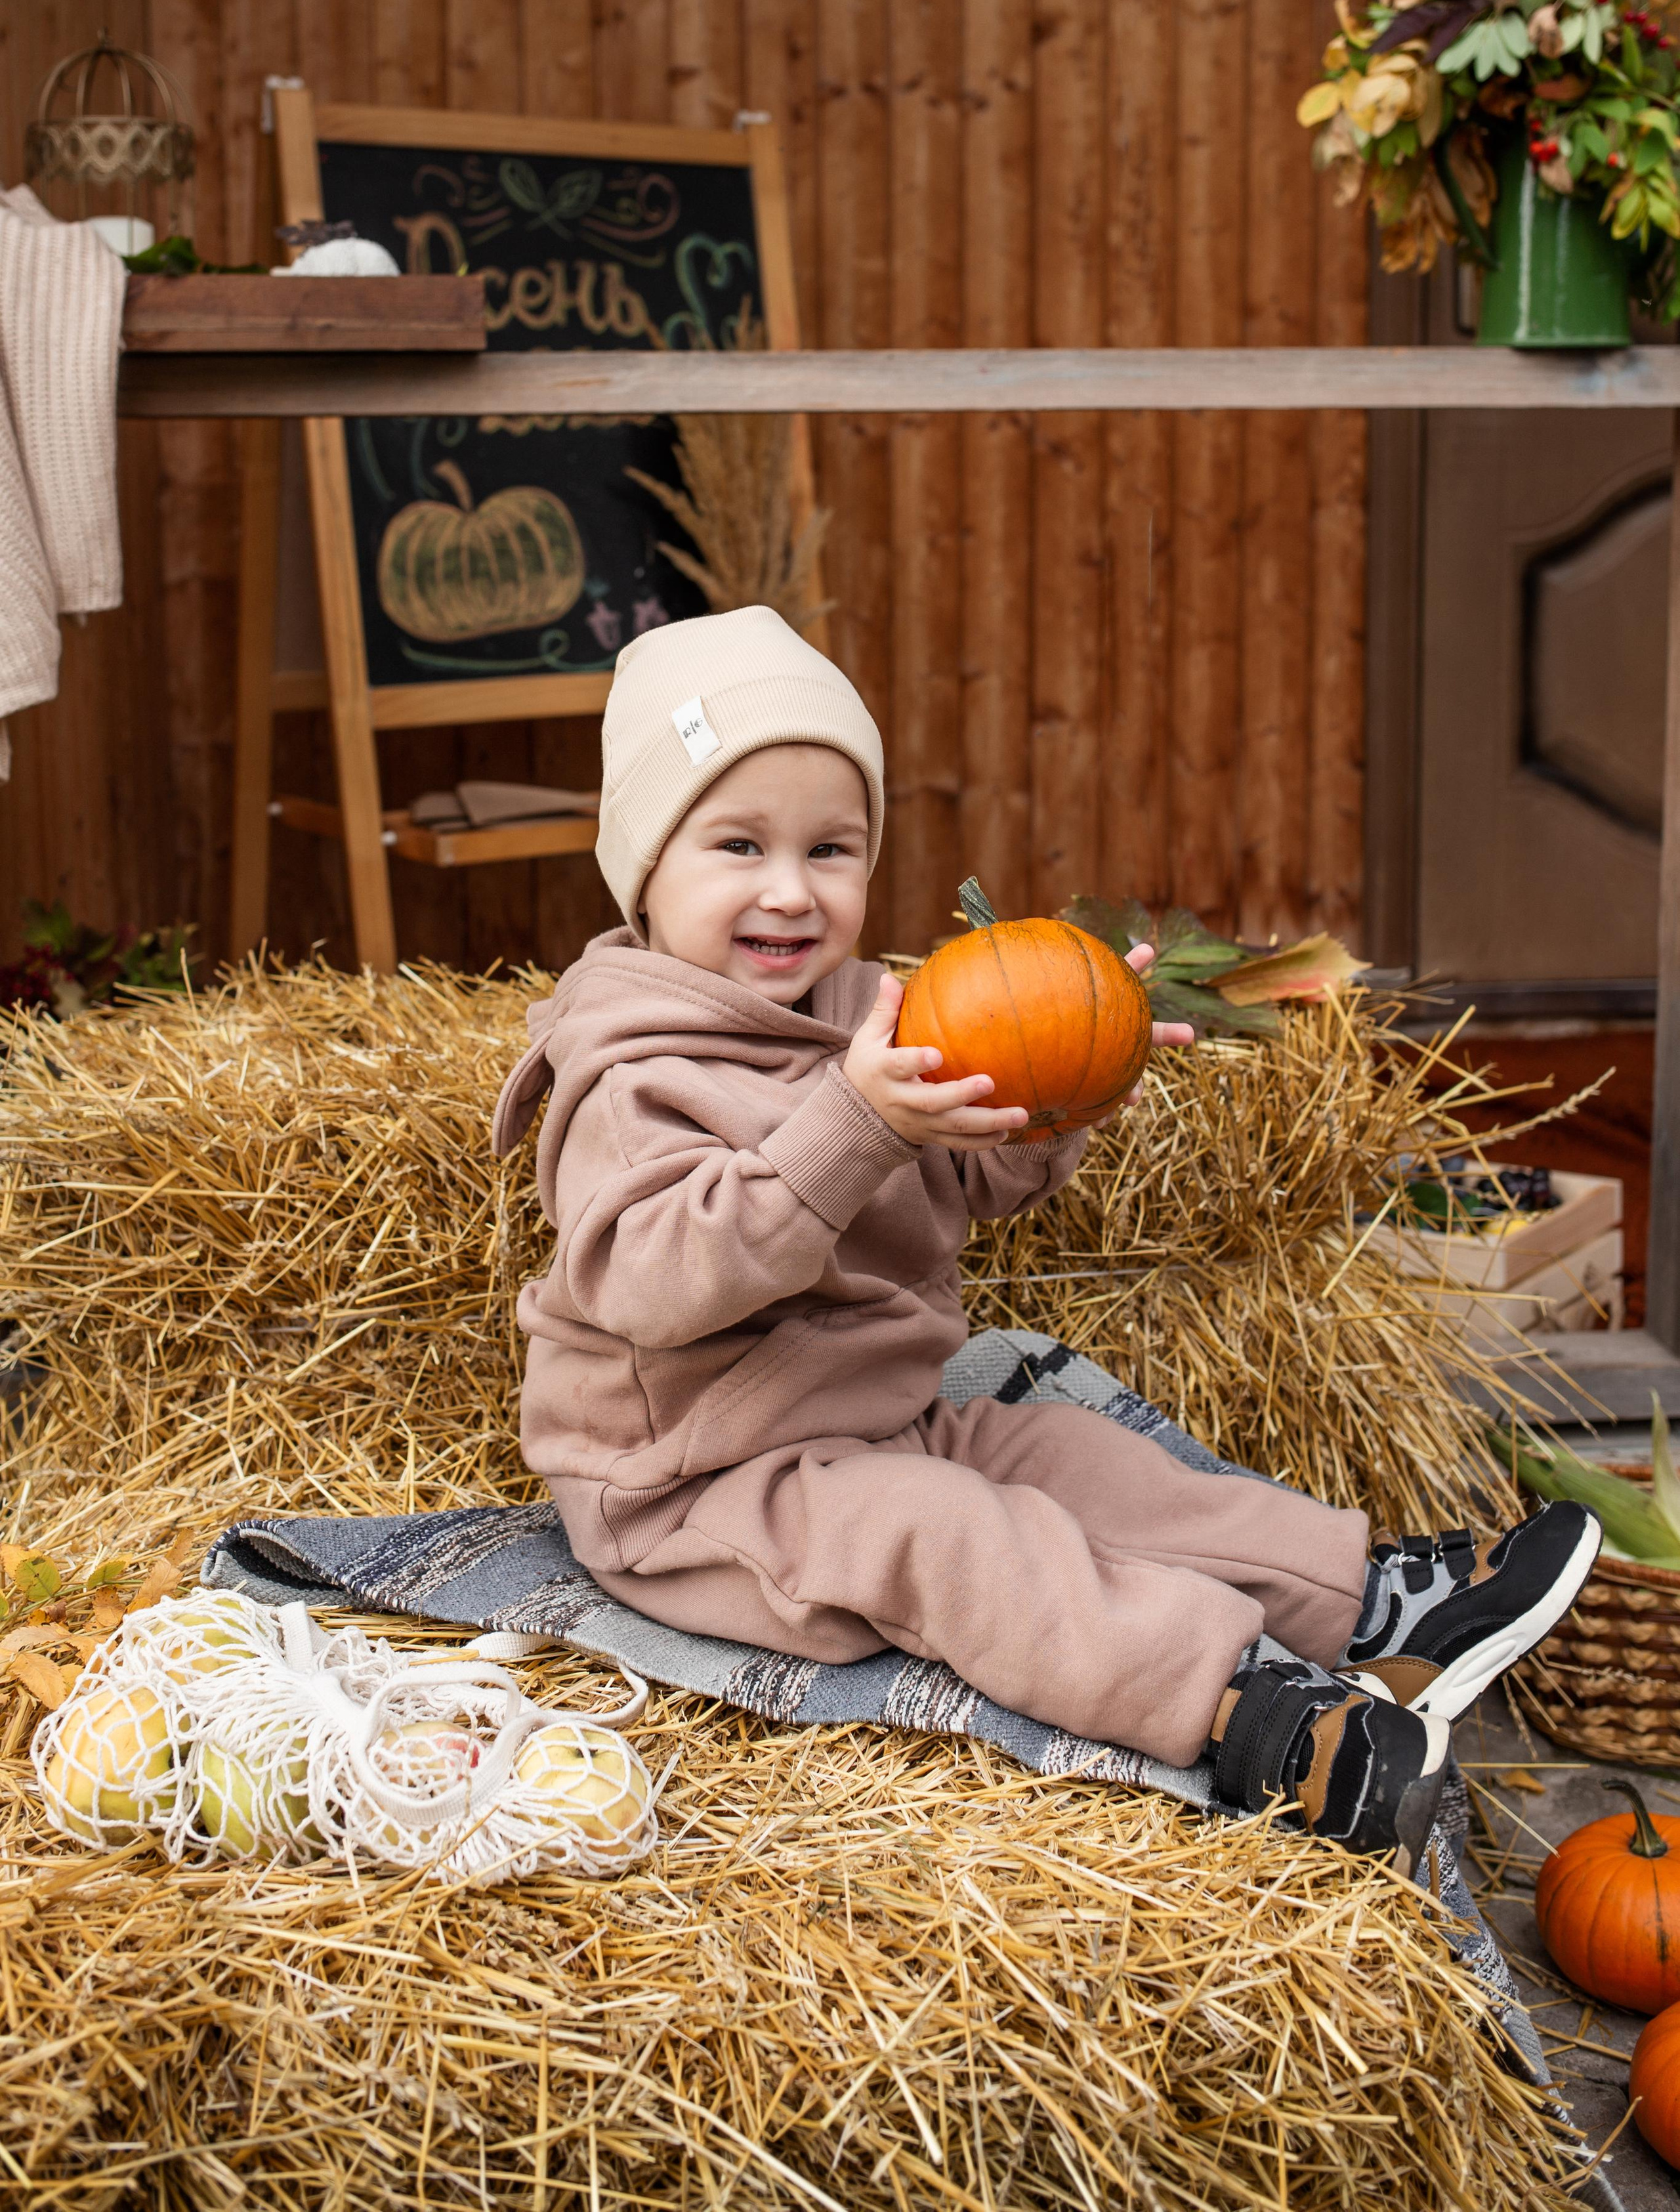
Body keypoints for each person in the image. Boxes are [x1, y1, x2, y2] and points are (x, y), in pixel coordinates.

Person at [493, 607, 1599, 1871]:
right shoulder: (630, 1072)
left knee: (1073, 1464)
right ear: (644, 869)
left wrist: (1070, 1079)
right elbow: (656, 1280)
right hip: (699, 1486)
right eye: (738, 845)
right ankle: (1249, 1718)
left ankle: (1379, 1603)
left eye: (832, 848)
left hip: (871, 1416)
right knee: (958, 1540)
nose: (791, 890)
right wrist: (854, 1120)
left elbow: (967, 1188)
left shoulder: (867, 1012)